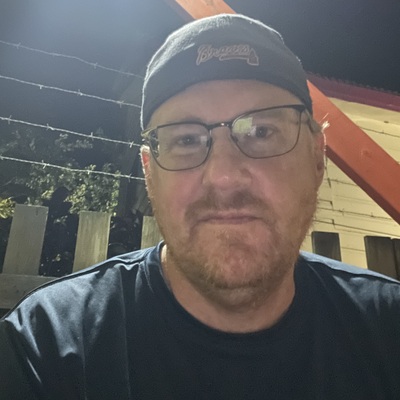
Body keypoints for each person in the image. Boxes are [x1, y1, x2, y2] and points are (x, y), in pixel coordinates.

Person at [1, 13, 399, 400]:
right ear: (150, 173)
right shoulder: (45, 347)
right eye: (187, 140)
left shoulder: (389, 328)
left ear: (316, 157)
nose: (223, 177)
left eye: (261, 131)